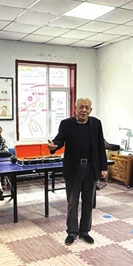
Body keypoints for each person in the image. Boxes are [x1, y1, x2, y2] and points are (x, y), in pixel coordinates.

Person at [47, 97, 108, 245]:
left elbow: (100, 146)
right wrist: (54, 146)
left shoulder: (96, 124)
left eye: (87, 107)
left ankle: (85, 231)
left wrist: (103, 167)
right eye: (81, 107)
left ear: (90, 110)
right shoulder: (66, 124)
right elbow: (59, 139)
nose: (84, 110)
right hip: (73, 169)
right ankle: (72, 232)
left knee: (88, 202)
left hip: (91, 168)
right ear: (75, 108)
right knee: (72, 202)